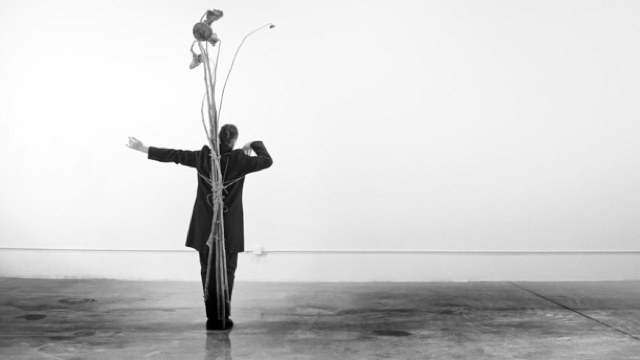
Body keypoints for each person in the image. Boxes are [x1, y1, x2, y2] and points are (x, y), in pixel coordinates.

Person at [126, 124, 273, 330]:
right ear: (233, 141)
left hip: (206, 228)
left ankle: (212, 318)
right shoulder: (240, 160)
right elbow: (267, 160)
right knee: (228, 271)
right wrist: (254, 144)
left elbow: (175, 155)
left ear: (218, 138)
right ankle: (223, 317)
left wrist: (142, 148)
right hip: (229, 229)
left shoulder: (205, 157)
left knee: (207, 269)